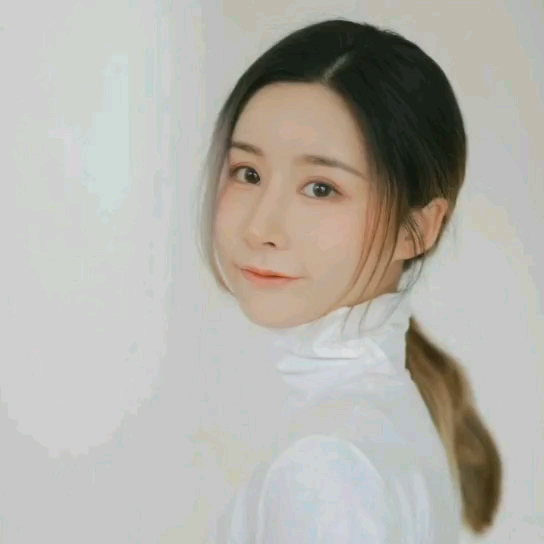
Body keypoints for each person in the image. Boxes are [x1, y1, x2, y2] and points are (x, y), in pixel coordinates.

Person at [196, 18, 502, 543]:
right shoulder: (379, 417)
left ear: (418, 228)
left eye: (320, 188)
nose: (260, 227)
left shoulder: (327, 466)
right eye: (248, 173)